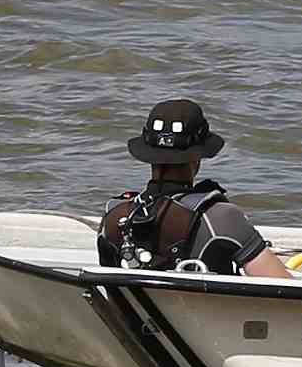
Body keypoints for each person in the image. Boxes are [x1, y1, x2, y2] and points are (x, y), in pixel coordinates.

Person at [96, 97, 287, 278]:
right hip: (206, 303)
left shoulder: (113, 216)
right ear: (197, 158)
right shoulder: (222, 218)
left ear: (148, 155)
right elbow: (281, 285)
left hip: (137, 302)